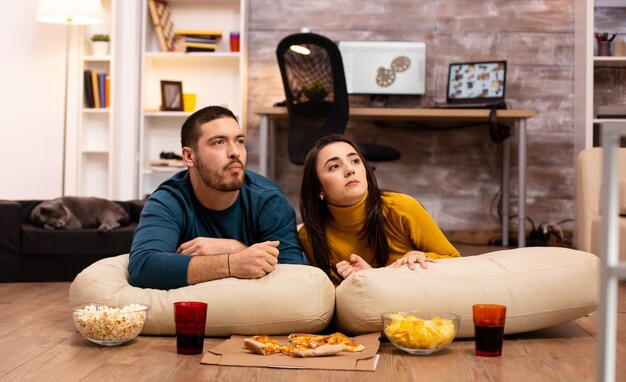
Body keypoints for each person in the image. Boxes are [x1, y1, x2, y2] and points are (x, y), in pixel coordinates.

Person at [128, 106, 304, 290]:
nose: (235, 152)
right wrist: (232, 263)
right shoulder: (169, 200)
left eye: (240, 141)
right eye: (219, 142)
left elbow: (293, 277)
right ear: (189, 156)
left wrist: (236, 249)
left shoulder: (269, 200)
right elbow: (143, 267)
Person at [298, 134, 460, 285]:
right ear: (318, 187)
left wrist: (421, 256)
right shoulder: (310, 235)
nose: (350, 170)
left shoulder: (400, 207)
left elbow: (456, 261)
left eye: (355, 161)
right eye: (334, 166)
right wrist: (362, 280)